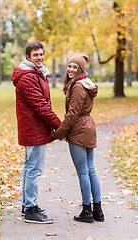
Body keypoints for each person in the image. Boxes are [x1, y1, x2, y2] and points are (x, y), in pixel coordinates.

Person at [12, 40, 61, 224]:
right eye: (36, 55)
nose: (40, 57)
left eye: (41, 54)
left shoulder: (36, 73)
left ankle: (27, 205)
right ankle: (31, 209)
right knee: (34, 168)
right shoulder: (28, 77)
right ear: (28, 57)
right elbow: (41, 105)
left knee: (29, 167)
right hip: (34, 128)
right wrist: (59, 125)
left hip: (34, 127)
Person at [53, 53, 104, 223]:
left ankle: (87, 211)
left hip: (79, 130)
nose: (71, 69)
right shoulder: (86, 84)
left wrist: (59, 133)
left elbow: (72, 114)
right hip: (88, 126)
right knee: (90, 169)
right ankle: (98, 211)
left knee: (84, 171)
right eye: (70, 66)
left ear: (81, 69)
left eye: (75, 67)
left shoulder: (77, 87)